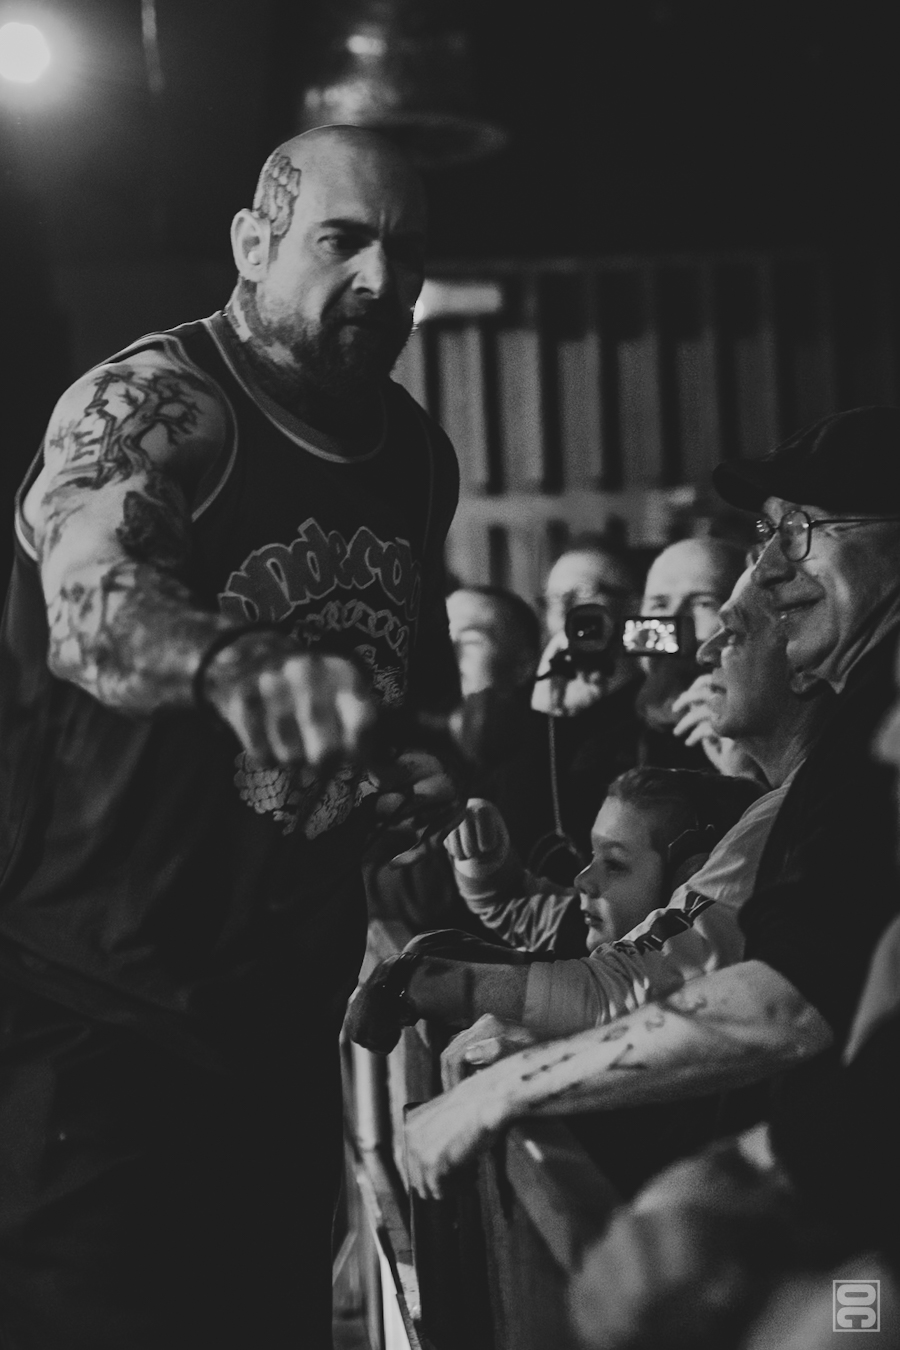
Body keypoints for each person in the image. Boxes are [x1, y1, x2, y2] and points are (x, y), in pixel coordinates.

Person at [0, 126, 460, 1349]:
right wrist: (231, 660)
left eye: (405, 251)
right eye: (341, 241)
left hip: (275, 1025)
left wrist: (403, 774)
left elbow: (380, 679)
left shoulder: (416, 455)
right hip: (97, 1016)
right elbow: (90, 606)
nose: (380, 278)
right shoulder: (157, 405)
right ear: (254, 245)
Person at [402, 405, 900, 1202]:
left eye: (804, 530)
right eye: (768, 533)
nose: (773, 570)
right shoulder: (858, 732)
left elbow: (786, 1000)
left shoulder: (874, 731)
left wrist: (511, 1081)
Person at [348, 567, 829, 1057]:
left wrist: (439, 984)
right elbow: (585, 926)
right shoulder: (782, 796)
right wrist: (496, 885)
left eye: (732, 630)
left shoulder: (795, 807)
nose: (704, 650)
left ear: (809, 659)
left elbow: (638, 976)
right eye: (659, 605)